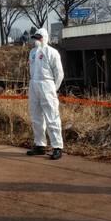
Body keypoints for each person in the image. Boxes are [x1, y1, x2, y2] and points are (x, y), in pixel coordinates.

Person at [26, 28, 65, 160]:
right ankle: (40, 145)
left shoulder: (52, 52)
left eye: (39, 37)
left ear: (45, 38)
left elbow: (59, 73)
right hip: (34, 84)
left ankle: (57, 147)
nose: (37, 40)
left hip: (47, 84)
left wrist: (54, 88)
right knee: (36, 116)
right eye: (35, 38)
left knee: (52, 116)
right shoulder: (32, 52)